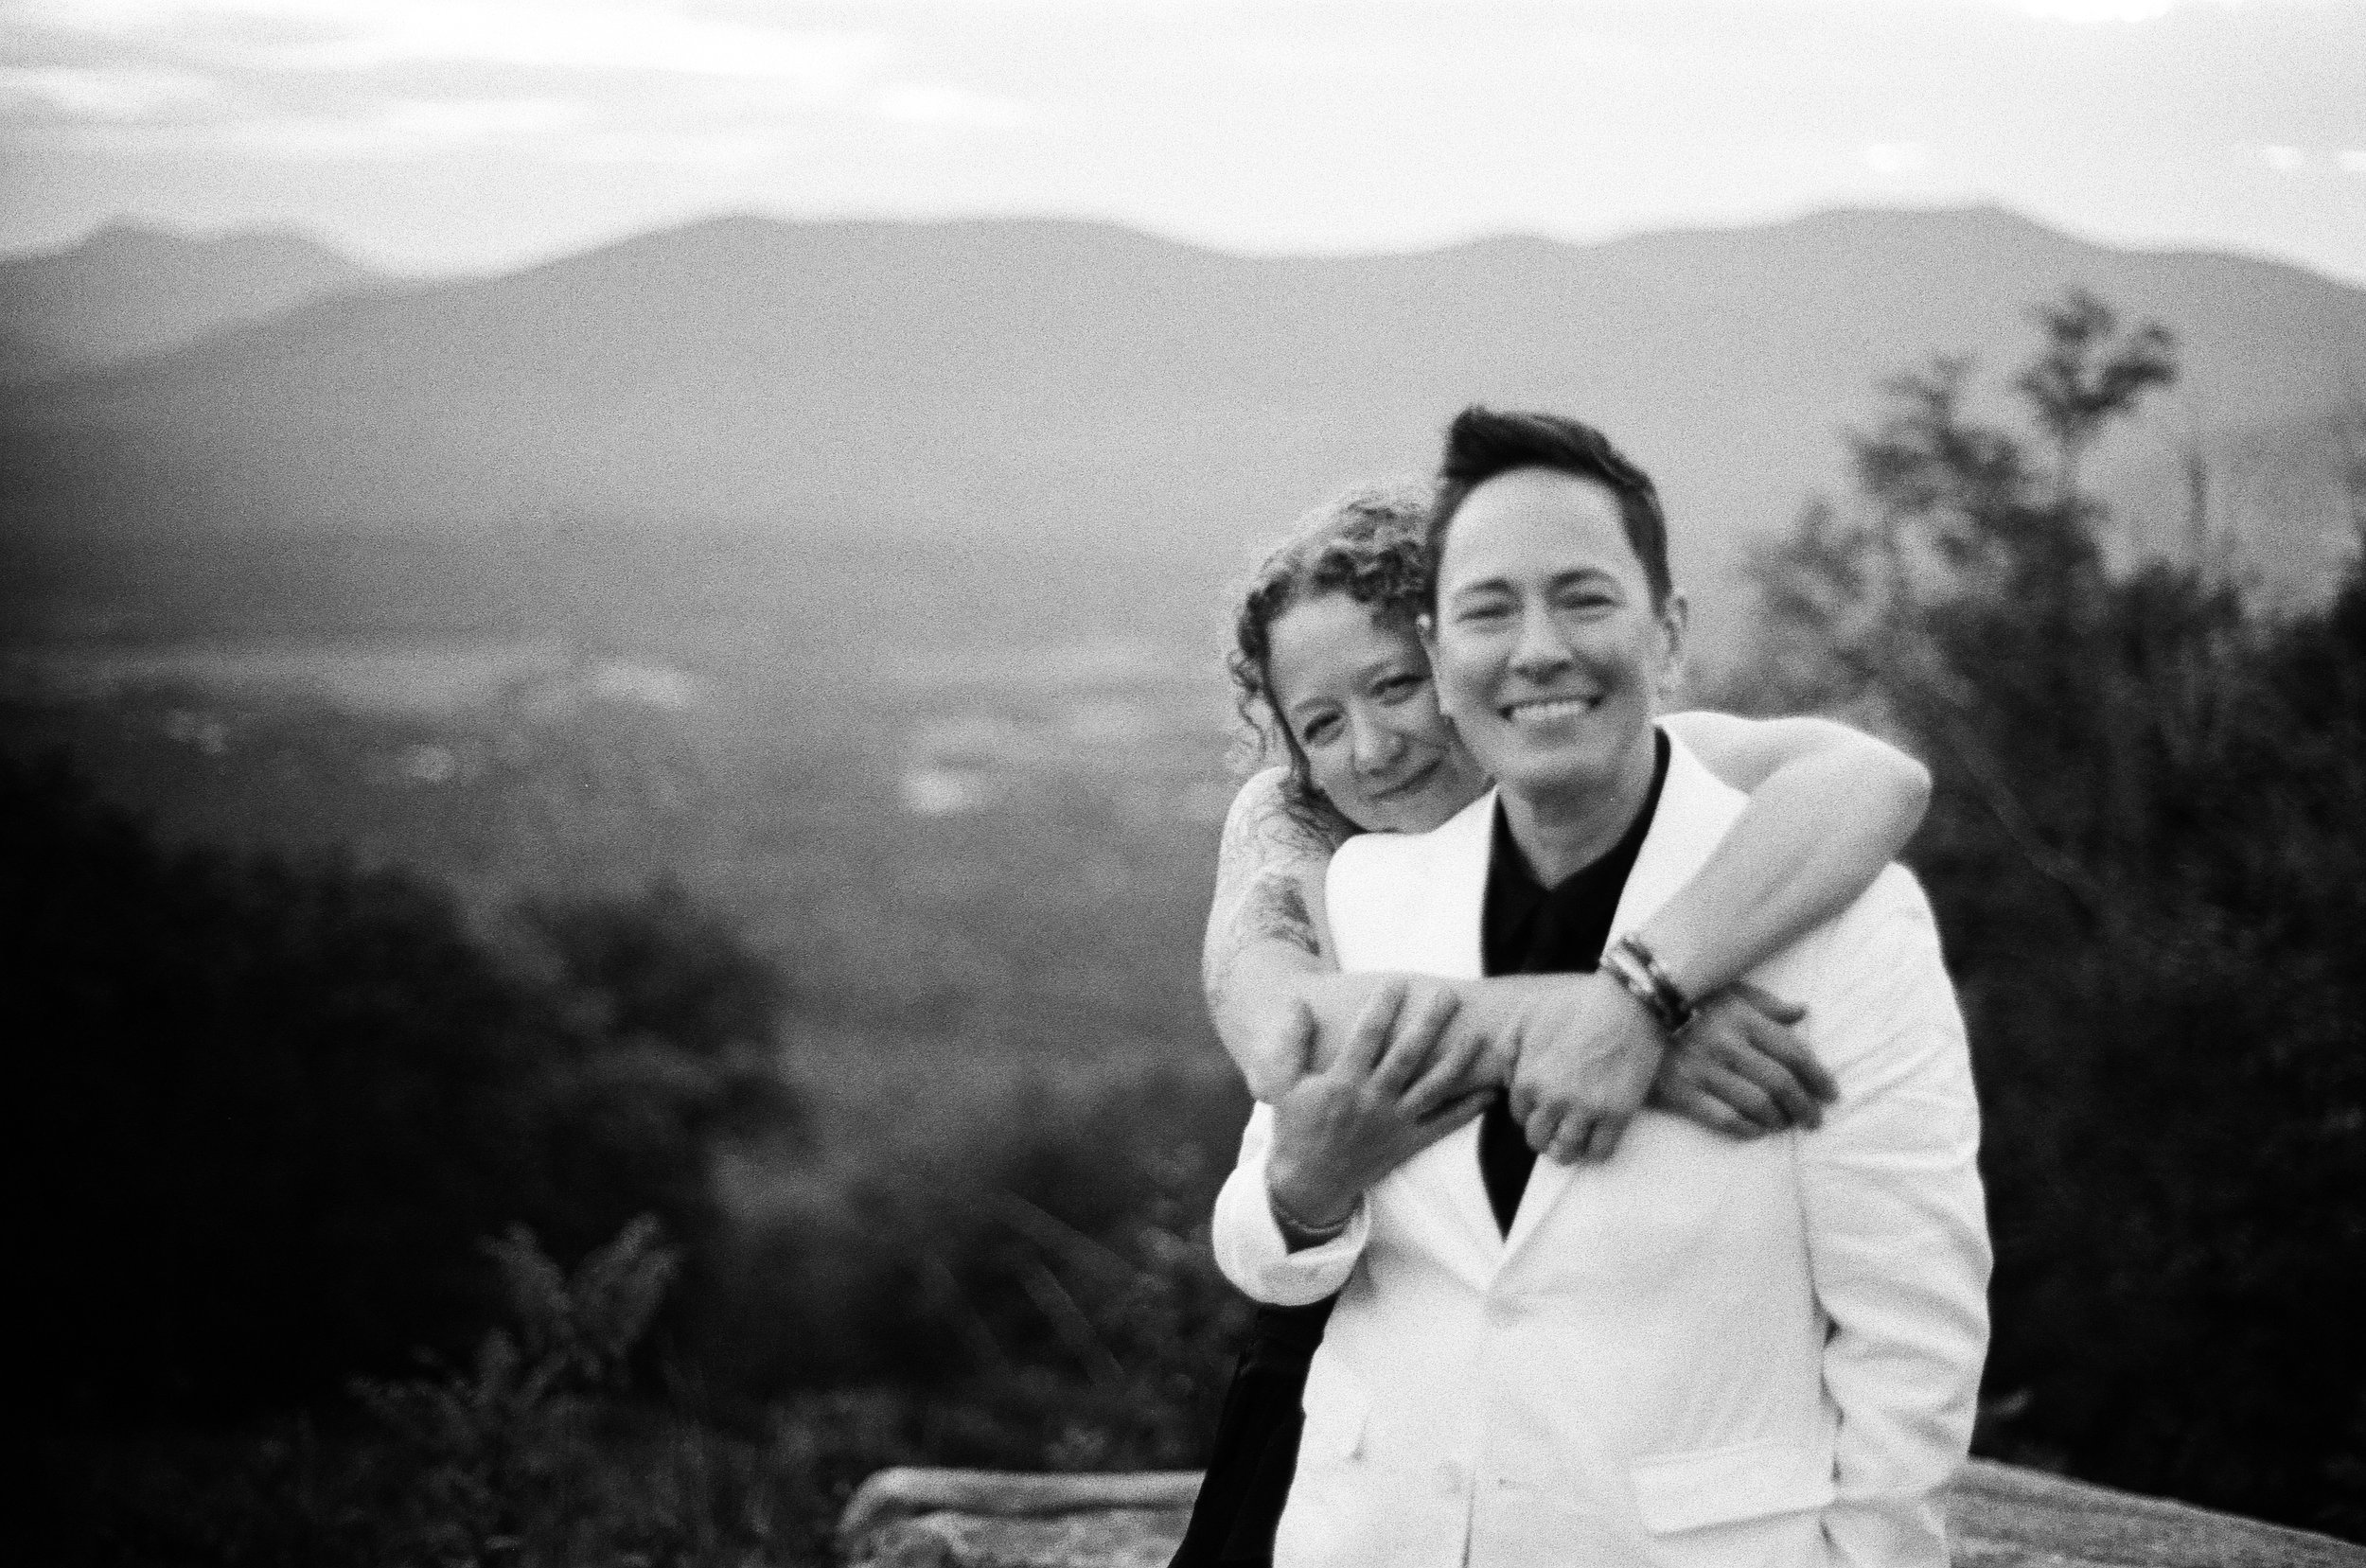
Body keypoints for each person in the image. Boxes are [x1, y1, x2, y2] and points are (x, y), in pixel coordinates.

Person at [1208, 410, 1990, 1567]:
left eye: (1394, 686)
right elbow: (1281, 1037)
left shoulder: (1714, 806)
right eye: (1321, 722)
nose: (1369, 748)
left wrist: (1637, 994)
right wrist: (1607, 1022)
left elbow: (1876, 778)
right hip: (1348, 1455)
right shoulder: (1316, 845)